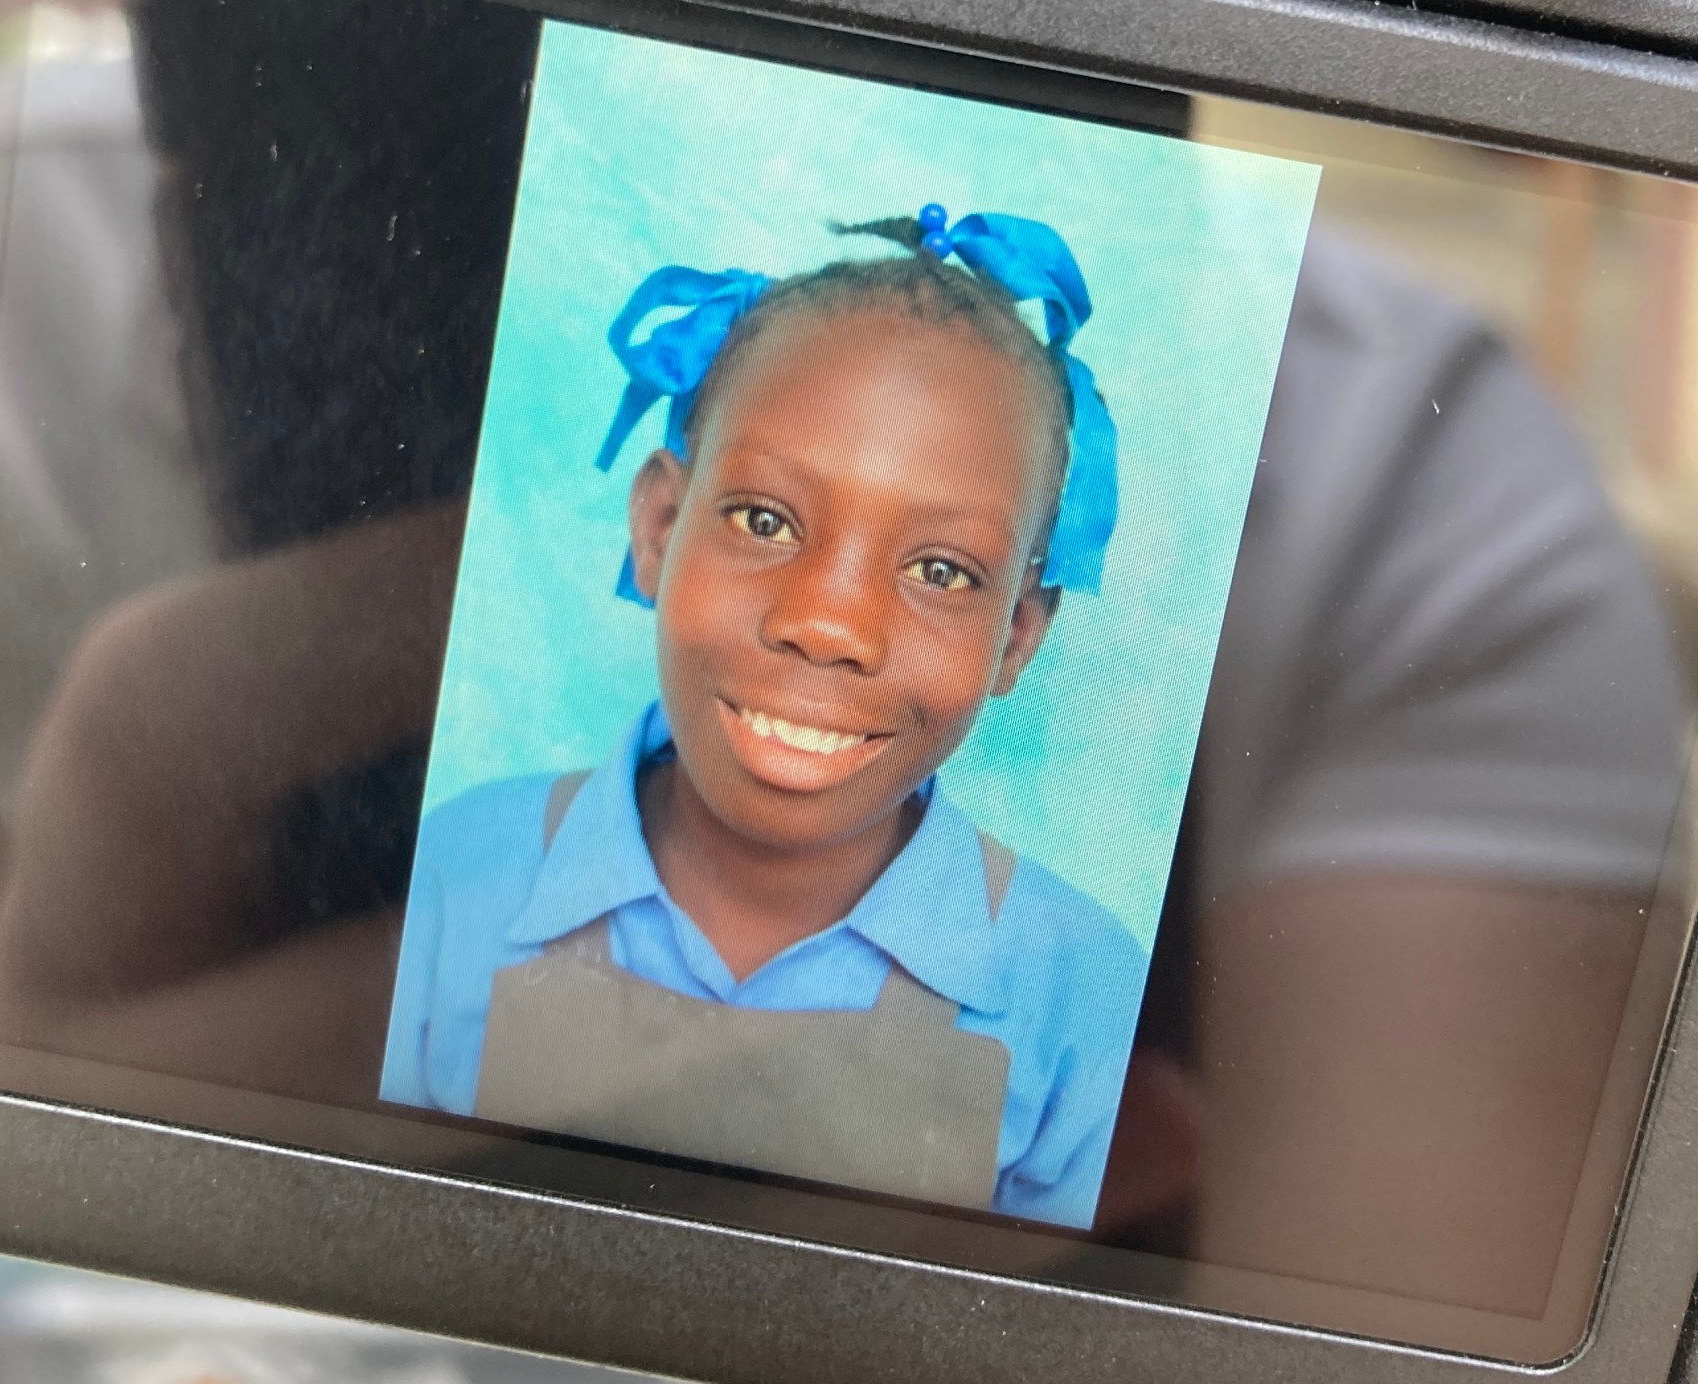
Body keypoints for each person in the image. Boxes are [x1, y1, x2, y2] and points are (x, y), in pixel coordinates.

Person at [380, 209, 1148, 1229]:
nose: (828, 625)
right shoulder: (448, 879)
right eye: (765, 519)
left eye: (940, 570)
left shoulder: (1090, 1005)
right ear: (659, 528)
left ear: (1014, 637)